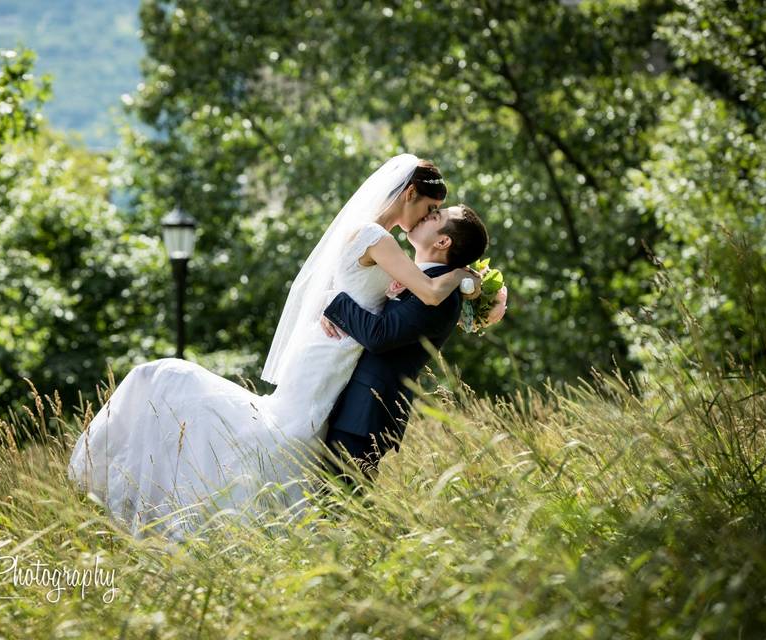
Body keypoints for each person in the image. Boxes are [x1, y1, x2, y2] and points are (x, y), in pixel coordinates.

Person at [67, 154, 481, 540]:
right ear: (409, 195)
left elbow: (387, 291)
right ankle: (230, 513)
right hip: (334, 348)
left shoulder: (379, 236)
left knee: (294, 437)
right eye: (429, 209)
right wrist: (467, 276)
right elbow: (427, 290)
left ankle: (254, 525)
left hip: (337, 348)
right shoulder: (378, 237)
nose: (429, 218)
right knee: (285, 434)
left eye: (435, 216)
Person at [319, 205, 490, 494]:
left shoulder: (442, 298)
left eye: (435, 217)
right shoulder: (421, 279)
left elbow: (379, 336)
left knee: (337, 504)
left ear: (443, 242)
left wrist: (333, 301)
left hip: (365, 414)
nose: (425, 215)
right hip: (353, 405)